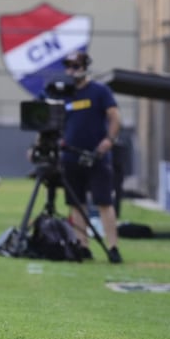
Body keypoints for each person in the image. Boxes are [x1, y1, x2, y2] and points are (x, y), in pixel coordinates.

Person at [59, 51, 123, 263]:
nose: (71, 70)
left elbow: (114, 117)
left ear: (85, 66)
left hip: (96, 155)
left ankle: (113, 246)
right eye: (68, 65)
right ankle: (82, 245)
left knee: (104, 201)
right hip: (70, 156)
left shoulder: (99, 91)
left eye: (76, 65)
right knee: (76, 203)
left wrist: (108, 141)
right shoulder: (64, 93)